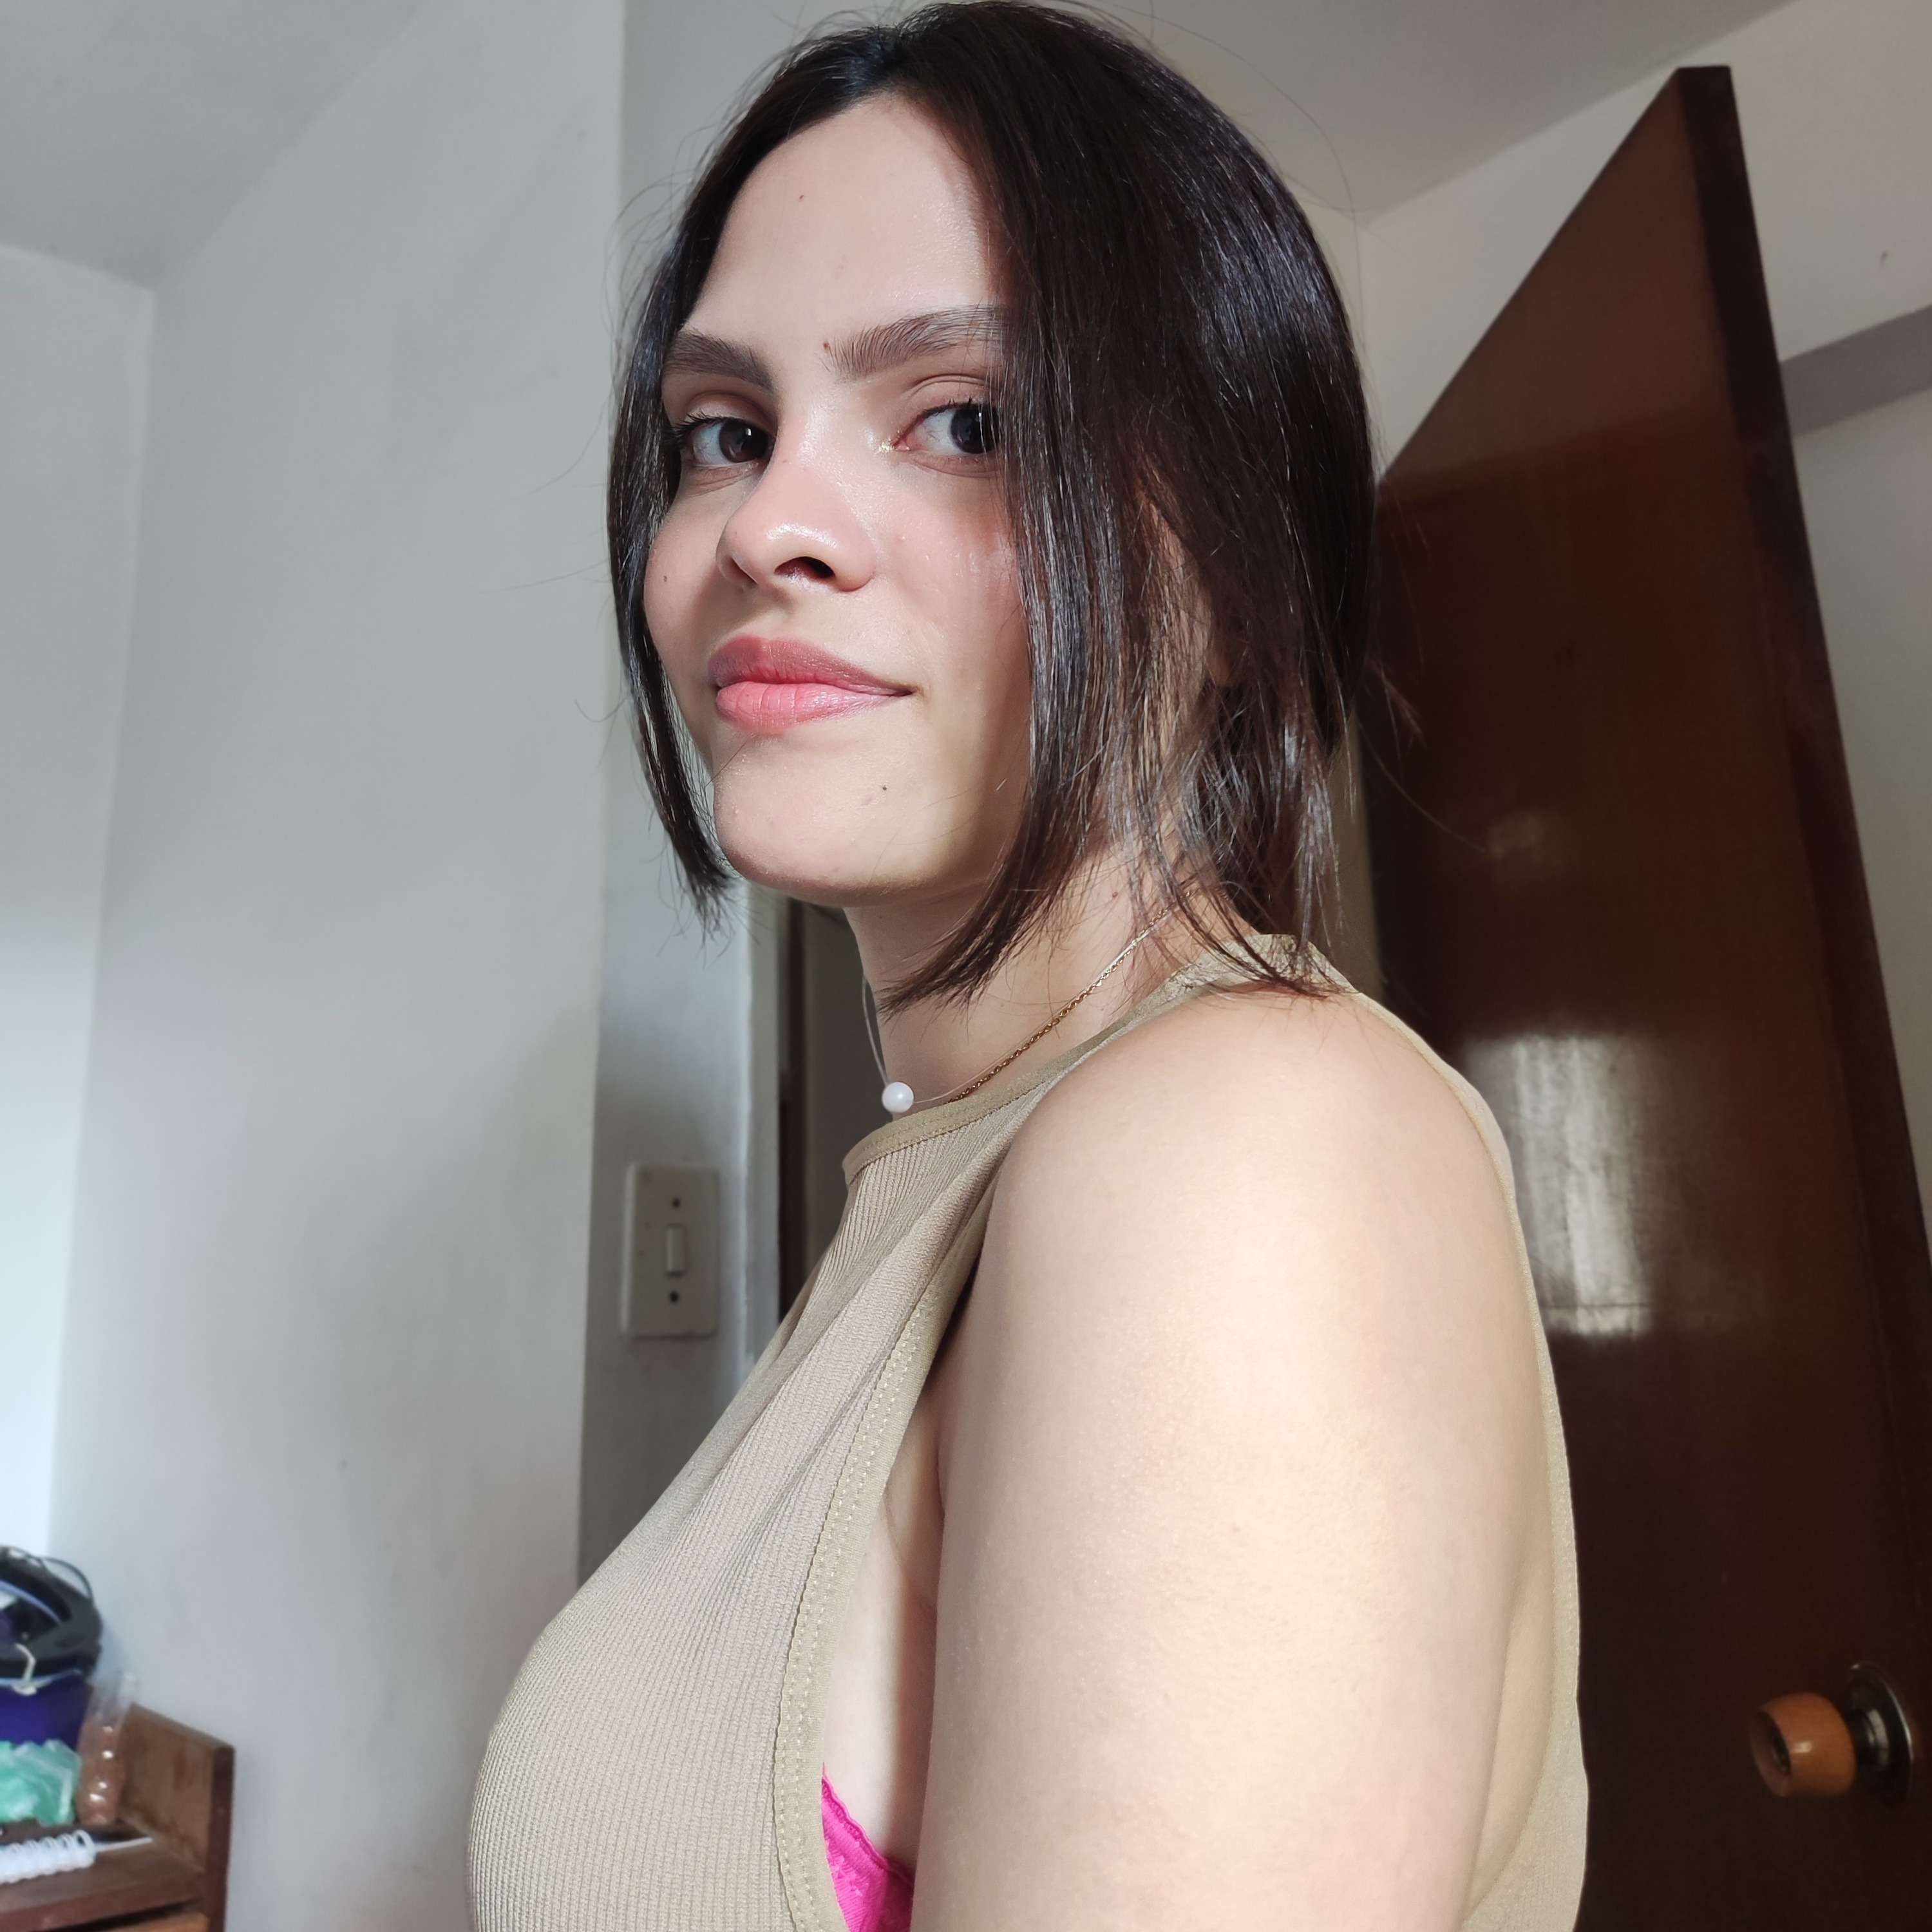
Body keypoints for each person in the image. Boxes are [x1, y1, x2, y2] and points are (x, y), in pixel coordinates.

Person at [468, 5, 1587, 1928]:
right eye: (725, 432)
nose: (768, 524)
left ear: (1235, 567)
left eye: (968, 422)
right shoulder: (961, 1182)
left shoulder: (1241, 1146)